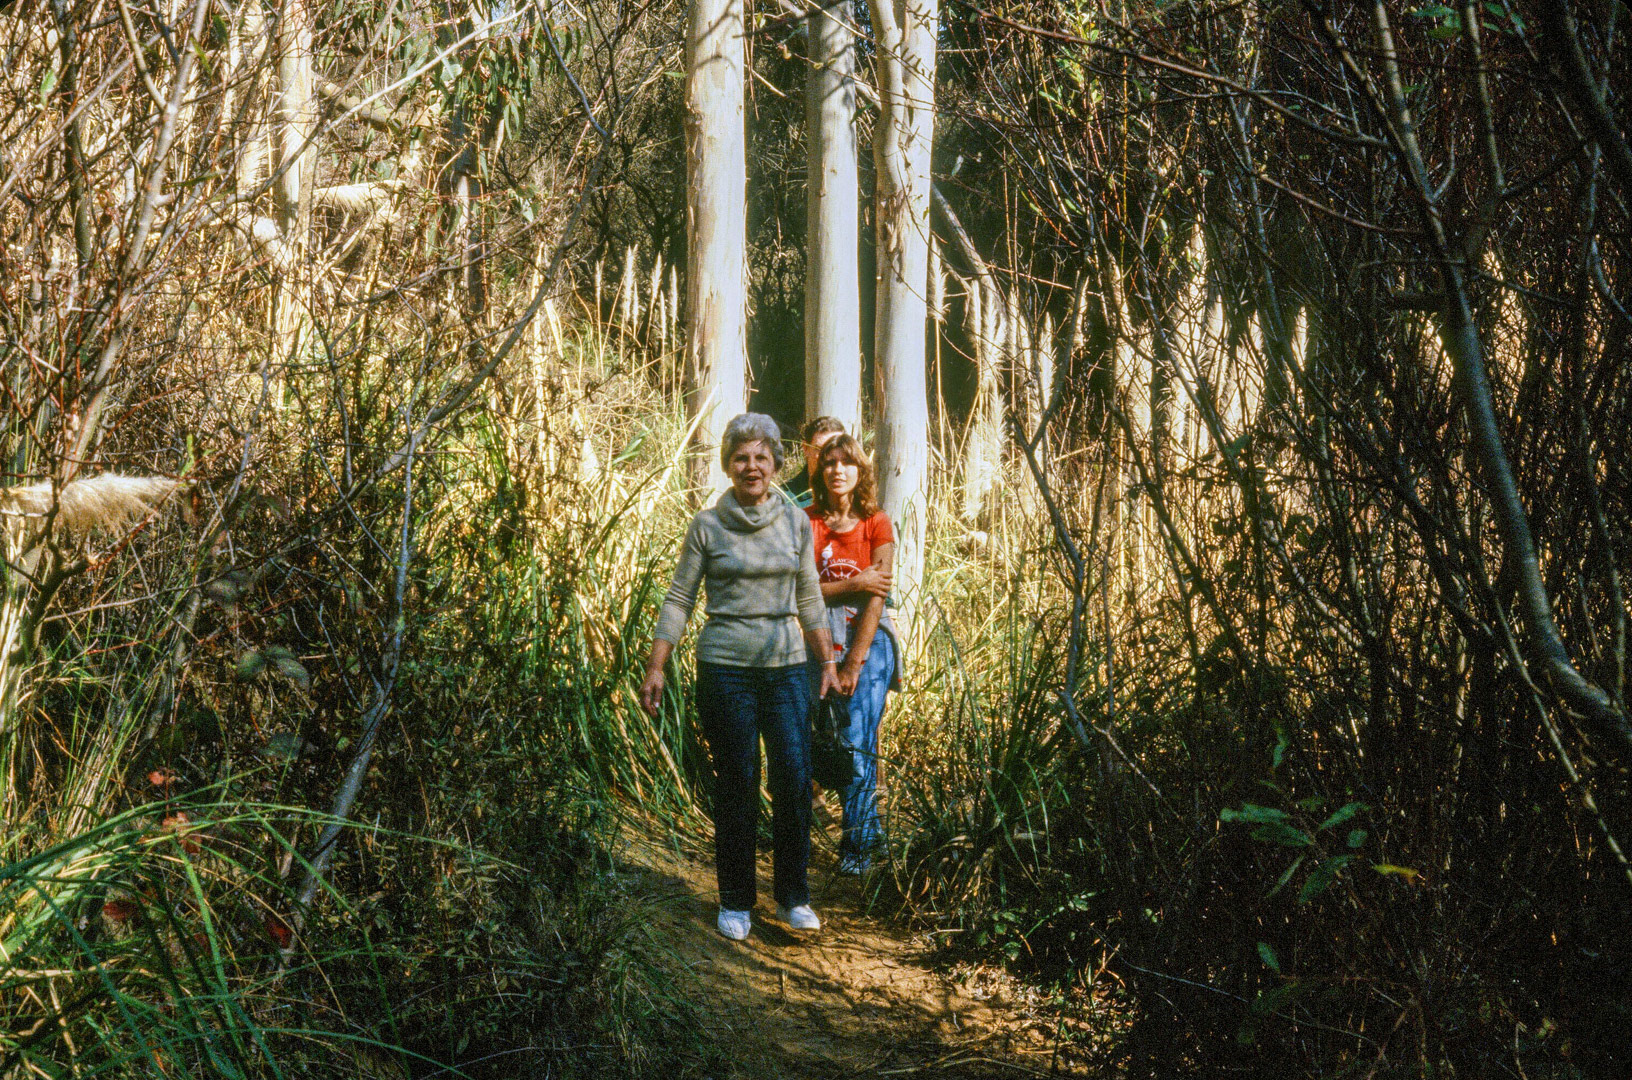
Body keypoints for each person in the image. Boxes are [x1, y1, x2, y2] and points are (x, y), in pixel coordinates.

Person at [640, 413, 840, 941]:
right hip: (725, 668)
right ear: (729, 465)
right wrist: (657, 665)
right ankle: (736, 900)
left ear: (776, 463)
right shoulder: (707, 525)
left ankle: (793, 896)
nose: (752, 466)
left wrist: (829, 662)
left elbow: (810, 597)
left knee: (795, 776)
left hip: (787, 668)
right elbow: (680, 597)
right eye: (741, 457)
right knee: (738, 780)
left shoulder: (796, 523)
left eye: (761, 457)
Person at [807, 433, 901, 875]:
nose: (837, 470)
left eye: (846, 463)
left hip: (869, 637)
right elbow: (800, 591)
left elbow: (877, 595)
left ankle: (857, 849)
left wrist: (853, 664)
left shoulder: (876, 522)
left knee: (858, 737)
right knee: (832, 737)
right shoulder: (807, 521)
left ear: (860, 471)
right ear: (820, 472)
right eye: (829, 462)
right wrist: (853, 583)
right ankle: (868, 834)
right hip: (820, 637)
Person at [787, 416, 846, 508]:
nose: (827, 457)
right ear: (805, 448)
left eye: (834, 450)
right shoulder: (784, 499)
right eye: (820, 449)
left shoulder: (854, 495)